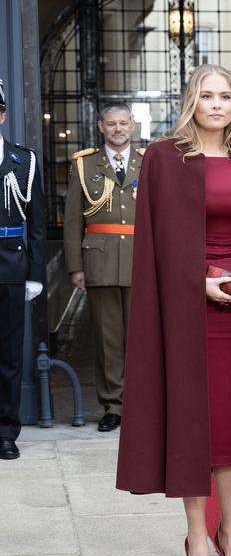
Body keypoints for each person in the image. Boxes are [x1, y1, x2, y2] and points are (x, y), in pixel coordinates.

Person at [115, 64, 231, 556]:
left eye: (225, 96)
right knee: (196, 424)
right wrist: (197, 281)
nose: (216, 104)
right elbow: (156, 242)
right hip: (187, 311)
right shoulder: (165, 158)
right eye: (207, 95)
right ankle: (196, 535)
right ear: (192, 100)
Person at [63, 104, 144, 432]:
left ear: (133, 125)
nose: (118, 129)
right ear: (100, 127)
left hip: (141, 261)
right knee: (108, 339)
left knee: (141, 339)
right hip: (100, 262)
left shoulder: (149, 161)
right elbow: (71, 221)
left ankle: (141, 405)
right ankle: (114, 405)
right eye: (111, 124)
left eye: (123, 123)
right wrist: (75, 266)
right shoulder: (84, 165)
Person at [0, 78, 46, 461]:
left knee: (9, 355)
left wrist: (35, 274)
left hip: (11, 266)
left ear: (2, 115)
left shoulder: (24, 161)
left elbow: (37, 222)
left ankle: (5, 431)